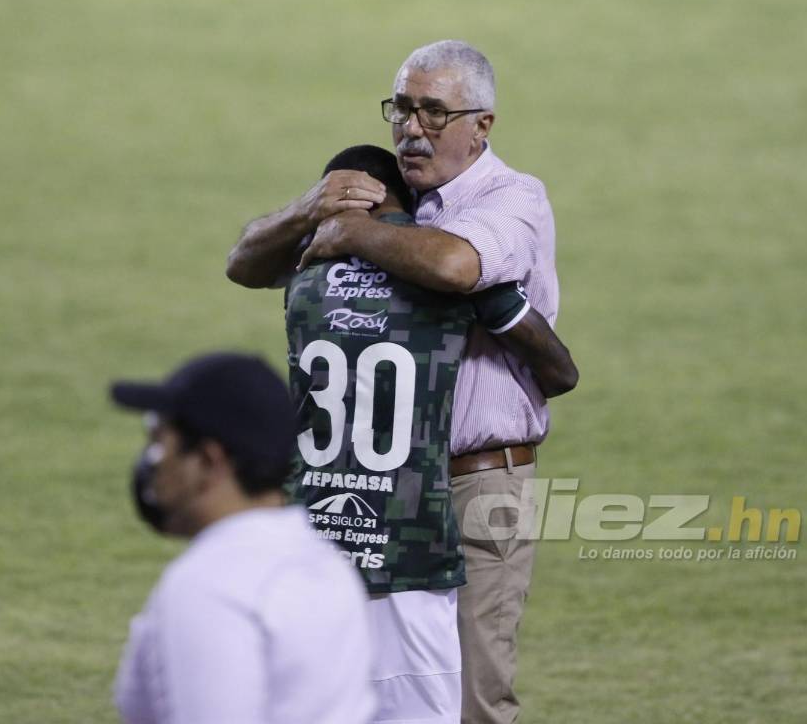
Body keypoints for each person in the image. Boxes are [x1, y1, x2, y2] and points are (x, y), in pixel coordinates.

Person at [228, 40, 565, 724]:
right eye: (403, 109)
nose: (412, 128)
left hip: (475, 485)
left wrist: (351, 232)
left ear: (482, 125)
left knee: (472, 699)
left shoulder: (513, 199)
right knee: (351, 692)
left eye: (434, 113)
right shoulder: (384, 194)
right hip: (372, 487)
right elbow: (245, 265)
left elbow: (455, 267)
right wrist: (308, 209)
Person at [286, 144, 574, 724]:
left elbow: (242, 264)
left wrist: (337, 232)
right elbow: (560, 371)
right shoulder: (444, 274)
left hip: (356, 502)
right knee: (464, 698)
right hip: (416, 506)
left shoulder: (305, 281)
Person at [110, 352, 375, 724]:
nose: (153, 462)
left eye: (160, 441)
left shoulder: (213, 585)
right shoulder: (327, 564)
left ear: (208, 460)